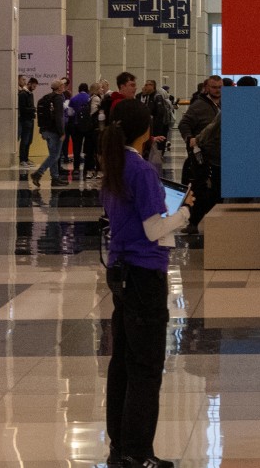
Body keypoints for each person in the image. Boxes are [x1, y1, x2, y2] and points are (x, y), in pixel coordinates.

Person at [98, 97, 189, 468]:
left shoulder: (113, 164)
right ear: (147, 130)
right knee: (146, 366)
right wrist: (184, 212)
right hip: (144, 274)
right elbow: (154, 228)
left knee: (122, 362)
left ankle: (120, 448)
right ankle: (138, 452)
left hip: (121, 270)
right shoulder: (142, 170)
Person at [178, 75, 223, 238]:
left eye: (220, 87)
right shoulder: (198, 106)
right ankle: (193, 222)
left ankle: (215, 221)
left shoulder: (226, 104)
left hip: (222, 156)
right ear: (207, 88)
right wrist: (190, 139)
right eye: (214, 87)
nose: (217, 90)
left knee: (217, 192)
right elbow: (184, 124)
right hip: (206, 157)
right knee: (202, 191)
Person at [32, 79, 67, 185]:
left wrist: (42, 130)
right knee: (55, 155)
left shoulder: (46, 97)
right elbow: (59, 117)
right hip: (55, 131)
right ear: (59, 87)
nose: (64, 87)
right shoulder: (58, 98)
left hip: (46, 130)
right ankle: (38, 173)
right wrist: (62, 132)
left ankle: (55, 178)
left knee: (53, 155)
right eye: (62, 85)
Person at [17, 77, 37, 166]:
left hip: (30, 119)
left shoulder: (30, 94)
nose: (34, 88)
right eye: (33, 86)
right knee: (24, 140)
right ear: (29, 84)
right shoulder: (23, 94)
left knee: (29, 141)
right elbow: (22, 109)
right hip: (25, 120)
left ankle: (26, 158)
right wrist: (33, 109)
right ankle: (22, 159)